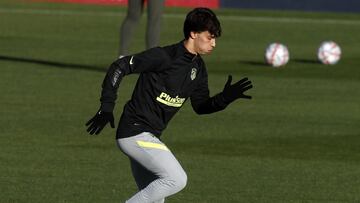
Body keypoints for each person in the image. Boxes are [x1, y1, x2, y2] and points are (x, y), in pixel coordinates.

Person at [86, 7, 253, 203]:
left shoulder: (198, 69)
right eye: (210, 37)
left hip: (148, 137)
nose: (214, 43)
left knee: (157, 199)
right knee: (177, 179)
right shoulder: (164, 57)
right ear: (193, 33)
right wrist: (106, 106)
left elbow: (201, 106)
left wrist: (225, 98)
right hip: (134, 132)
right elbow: (119, 67)